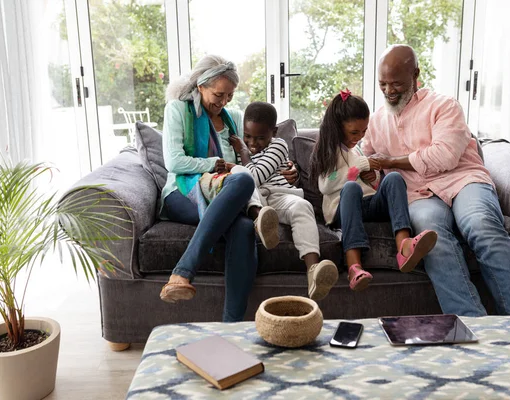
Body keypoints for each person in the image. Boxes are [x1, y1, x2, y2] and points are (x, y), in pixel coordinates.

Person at [362, 44, 510, 316]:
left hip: (463, 180)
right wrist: (369, 172)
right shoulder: (375, 122)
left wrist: (391, 162)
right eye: (382, 84)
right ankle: (472, 326)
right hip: (417, 194)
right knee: (430, 238)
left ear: (415, 75)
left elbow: (444, 157)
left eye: (396, 83)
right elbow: (366, 163)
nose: (388, 91)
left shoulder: (444, 106)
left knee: (481, 224)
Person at [158, 55, 295, 322]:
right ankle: (182, 272)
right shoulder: (178, 109)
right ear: (200, 86)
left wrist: (289, 168)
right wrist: (215, 163)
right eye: (218, 95)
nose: (223, 102)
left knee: (243, 226)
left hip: (224, 192)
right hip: (183, 191)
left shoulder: (233, 117)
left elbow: (255, 158)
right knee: (243, 179)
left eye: (230, 96)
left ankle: (230, 327)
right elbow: (174, 161)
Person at [311, 90, 438, 291]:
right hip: (341, 209)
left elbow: (367, 182)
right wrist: (360, 167)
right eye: (355, 132)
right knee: (351, 188)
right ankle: (354, 266)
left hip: (368, 204)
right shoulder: (330, 150)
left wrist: (374, 179)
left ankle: (404, 247)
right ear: (338, 126)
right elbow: (326, 183)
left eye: (364, 131)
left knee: (394, 178)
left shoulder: (357, 149)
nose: (360, 137)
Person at [226, 101, 339, 301]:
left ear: (274, 132)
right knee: (239, 174)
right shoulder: (234, 149)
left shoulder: (278, 145)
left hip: (280, 195)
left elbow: (257, 176)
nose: (253, 143)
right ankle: (260, 219)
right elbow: (244, 181)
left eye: (260, 138)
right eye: (248, 136)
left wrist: (243, 151)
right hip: (255, 199)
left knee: (303, 206)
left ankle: (313, 270)